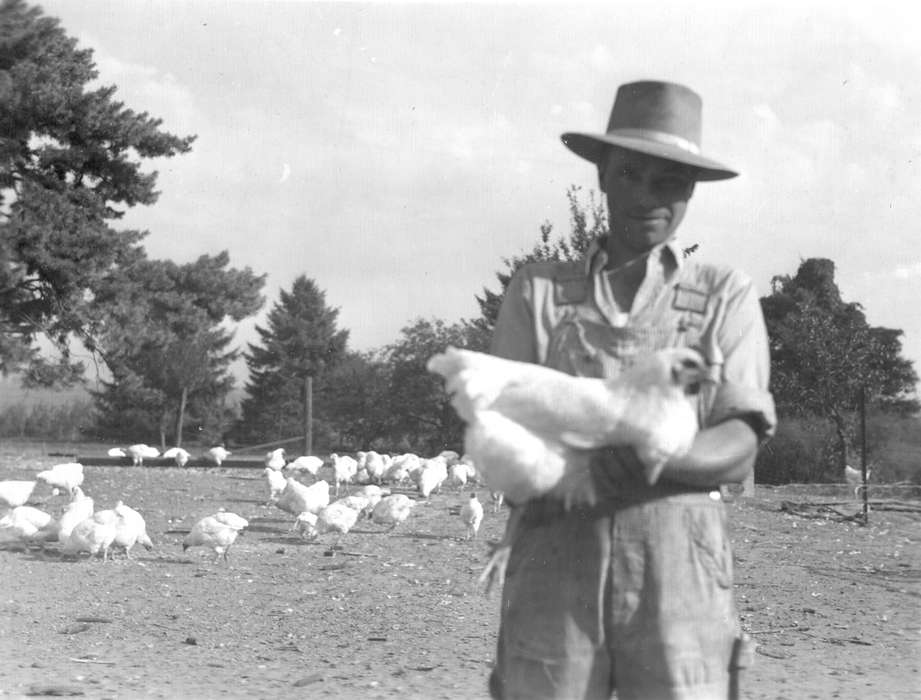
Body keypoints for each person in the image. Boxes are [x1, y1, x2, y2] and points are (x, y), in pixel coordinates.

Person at [487, 80, 777, 700]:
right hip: (554, 551)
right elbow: (503, 428)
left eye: (670, 181)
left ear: (691, 191)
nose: (648, 196)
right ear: (602, 175)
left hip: (679, 565)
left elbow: (740, 437)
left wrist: (649, 458)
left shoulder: (723, 295)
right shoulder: (538, 293)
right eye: (631, 174)